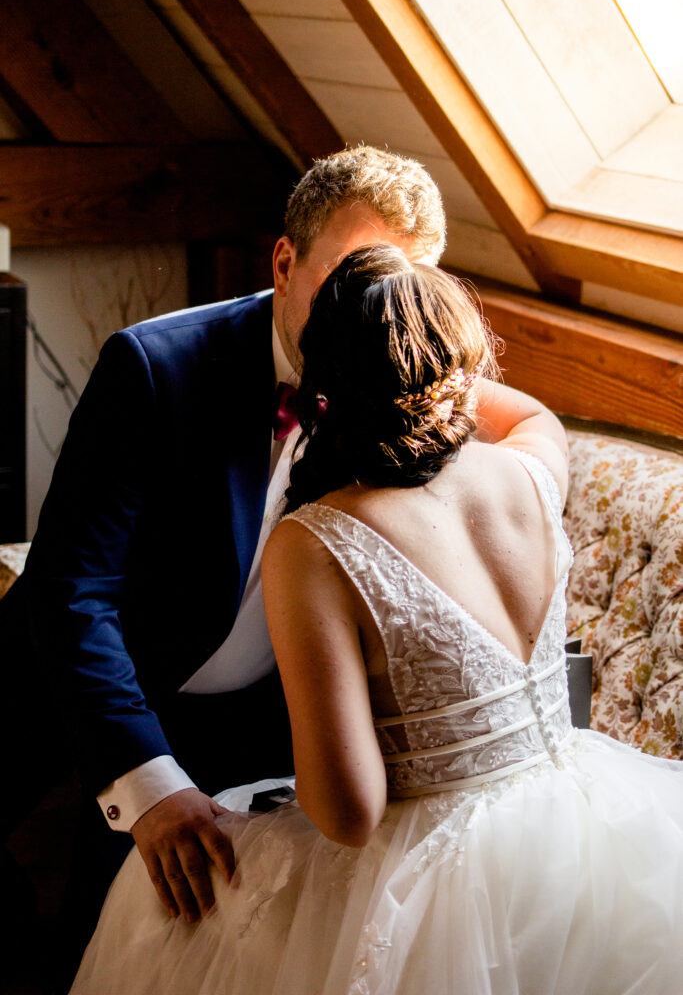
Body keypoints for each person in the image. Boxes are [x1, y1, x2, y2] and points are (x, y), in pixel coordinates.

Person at [70, 246, 683, 995]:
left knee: (158, 909)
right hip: (580, 828)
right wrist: (436, 366)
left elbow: (349, 813)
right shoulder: (532, 471)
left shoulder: (316, 542)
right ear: (462, 363)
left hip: (439, 872)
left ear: (323, 380)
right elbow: (530, 415)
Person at [0, 147, 446, 986]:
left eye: (399, 291)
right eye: (349, 280)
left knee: (117, 939)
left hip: (249, 723)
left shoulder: (400, 382)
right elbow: (71, 592)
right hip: (85, 679)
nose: (372, 318)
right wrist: (151, 784)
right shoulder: (154, 366)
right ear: (284, 261)